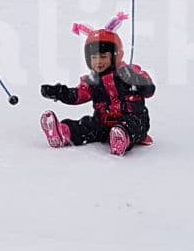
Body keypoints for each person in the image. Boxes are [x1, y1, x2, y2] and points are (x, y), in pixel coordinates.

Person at [37, 12, 156, 156]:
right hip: (104, 121)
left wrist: (134, 80)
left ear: (116, 55)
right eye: (94, 57)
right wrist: (60, 92)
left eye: (104, 56)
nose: (98, 62)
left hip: (133, 118)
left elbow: (149, 89)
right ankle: (63, 132)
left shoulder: (129, 72)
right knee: (87, 126)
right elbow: (78, 95)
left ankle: (122, 138)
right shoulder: (92, 80)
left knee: (133, 124)